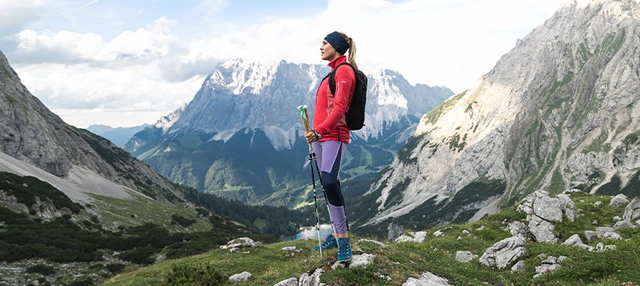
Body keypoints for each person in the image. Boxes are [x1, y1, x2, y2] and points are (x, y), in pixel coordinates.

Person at [305, 31, 358, 263]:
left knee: (329, 182)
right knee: (329, 186)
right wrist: (313, 133)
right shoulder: (330, 75)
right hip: (320, 138)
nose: (321, 47)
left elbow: (339, 109)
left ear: (336, 46)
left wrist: (319, 131)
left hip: (334, 136)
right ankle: (335, 235)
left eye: (325, 43)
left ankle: (344, 240)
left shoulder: (344, 71)